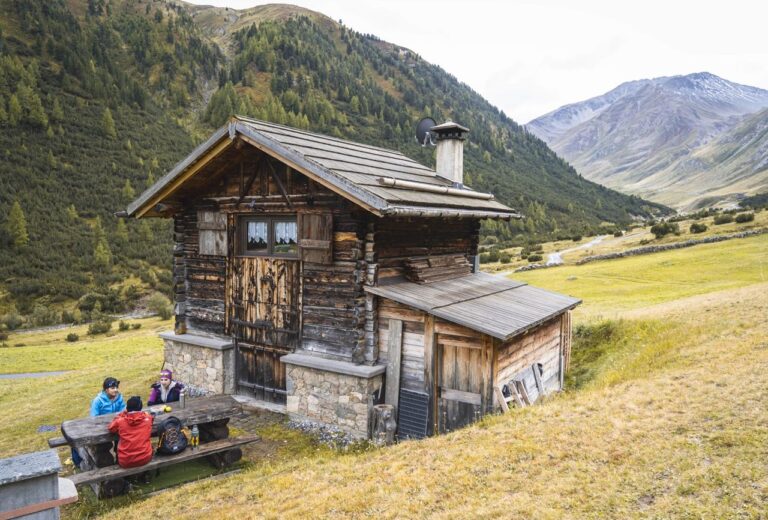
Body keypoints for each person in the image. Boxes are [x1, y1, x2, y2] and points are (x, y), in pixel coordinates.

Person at [107, 396, 154, 469]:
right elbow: (149, 416)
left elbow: (111, 428)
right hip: (145, 458)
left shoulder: (120, 421)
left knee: (117, 444)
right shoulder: (148, 419)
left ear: (127, 408)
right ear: (141, 408)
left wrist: (121, 414)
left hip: (126, 461)